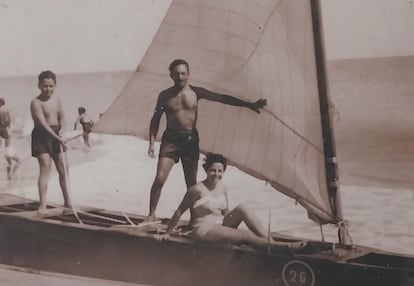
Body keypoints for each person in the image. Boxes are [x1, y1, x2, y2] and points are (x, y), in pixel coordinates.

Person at [147, 59, 267, 220]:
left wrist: (249, 105)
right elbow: (155, 119)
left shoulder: (196, 92)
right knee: (160, 178)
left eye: (183, 73)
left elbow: (222, 98)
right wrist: (152, 143)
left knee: (191, 182)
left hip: (190, 140)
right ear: (171, 75)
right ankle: (151, 214)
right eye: (176, 74)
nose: (180, 77)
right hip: (170, 140)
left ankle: (193, 219)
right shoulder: (165, 95)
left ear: (188, 74)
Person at [158, 153, 307, 251]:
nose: (216, 174)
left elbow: (226, 213)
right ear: (206, 170)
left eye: (220, 171)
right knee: (243, 236)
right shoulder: (196, 189)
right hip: (203, 231)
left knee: (243, 208)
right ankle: (285, 247)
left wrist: (230, 228)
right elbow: (179, 211)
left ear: (223, 171)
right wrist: (167, 233)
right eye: (213, 170)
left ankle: (271, 241)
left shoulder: (223, 188)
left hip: (218, 227)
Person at [30, 70, 71, 214]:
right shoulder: (36, 102)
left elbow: (62, 118)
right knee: (45, 168)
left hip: (56, 134)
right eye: (45, 86)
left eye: (51, 86)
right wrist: (58, 137)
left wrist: (63, 131)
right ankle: (42, 205)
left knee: (64, 169)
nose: (48, 89)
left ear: (55, 86)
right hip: (42, 136)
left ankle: (68, 202)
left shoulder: (57, 100)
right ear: (39, 85)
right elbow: (42, 122)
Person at [0, 98, 20, 179]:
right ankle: (12, 174)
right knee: (18, 160)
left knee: (9, 161)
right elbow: (7, 142)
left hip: (3, 150)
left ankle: (9, 176)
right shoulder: (5, 112)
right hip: (7, 149)